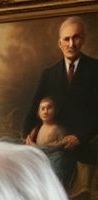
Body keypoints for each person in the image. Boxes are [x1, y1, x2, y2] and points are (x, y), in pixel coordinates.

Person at [22, 16, 98, 186]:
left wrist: (80, 137)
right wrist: (29, 134)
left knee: (54, 179)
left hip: (79, 146)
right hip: (48, 144)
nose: (72, 44)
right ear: (60, 43)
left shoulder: (95, 69)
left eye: (76, 37)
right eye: (67, 39)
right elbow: (33, 109)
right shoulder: (48, 74)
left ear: (83, 39)